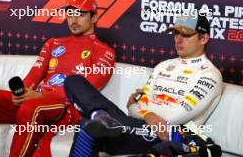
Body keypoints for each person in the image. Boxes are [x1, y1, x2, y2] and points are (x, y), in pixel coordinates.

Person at [63, 13, 223, 156]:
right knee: (73, 81)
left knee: (86, 126)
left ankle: (99, 120)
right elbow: (131, 108)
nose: (178, 40)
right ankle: (99, 114)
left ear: (204, 39)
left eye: (186, 35)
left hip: (167, 134)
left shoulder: (210, 74)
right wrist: (148, 114)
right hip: (137, 124)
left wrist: (144, 104)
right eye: (176, 33)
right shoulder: (163, 65)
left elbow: (174, 116)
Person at [0, 0, 115, 157]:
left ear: (94, 18)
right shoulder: (54, 43)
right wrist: (22, 93)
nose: (74, 19)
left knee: (31, 108)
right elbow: (34, 75)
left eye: (80, 14)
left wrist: (40, 95)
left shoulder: (105, 52)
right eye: (70, 13)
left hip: (66, 108)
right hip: (37, 101)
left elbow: (84, 90)